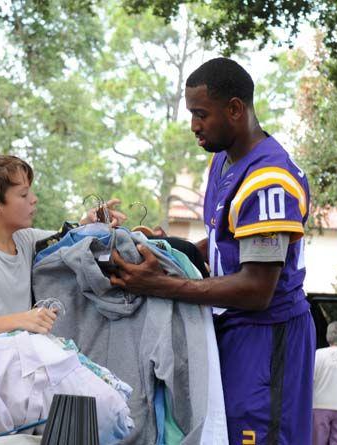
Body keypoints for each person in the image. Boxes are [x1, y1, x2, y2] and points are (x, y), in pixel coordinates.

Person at [110, 57, 314, 444]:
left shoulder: (269, 179)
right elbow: (226, 244)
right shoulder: (223, 161)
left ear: (235, 109)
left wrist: (158, 284)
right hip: (231, 329)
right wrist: (170, 251)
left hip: (267, 337)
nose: (194, 126)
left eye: (201, 114)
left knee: (254, 435)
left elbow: (256, 288)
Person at [0, 154, 125, 343]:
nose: (34, 199)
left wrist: (91, 222)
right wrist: (21, 320)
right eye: (23, 194)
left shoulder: (25, 239)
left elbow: (67, 237)